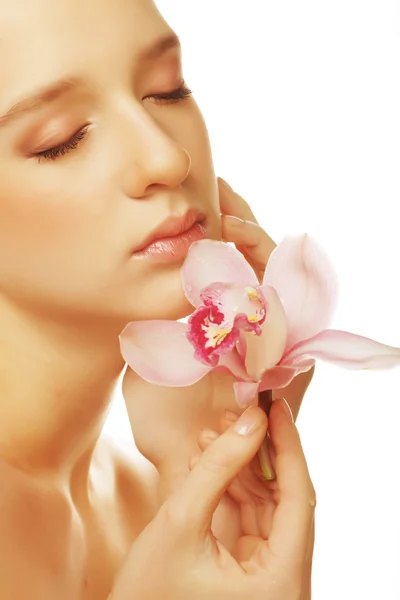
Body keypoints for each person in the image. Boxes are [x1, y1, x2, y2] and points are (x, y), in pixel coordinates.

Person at [0, 0, 316, 598]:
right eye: (60, 141)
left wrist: (215, 486)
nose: (168, 159)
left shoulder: (150, 498)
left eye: (169, 92)